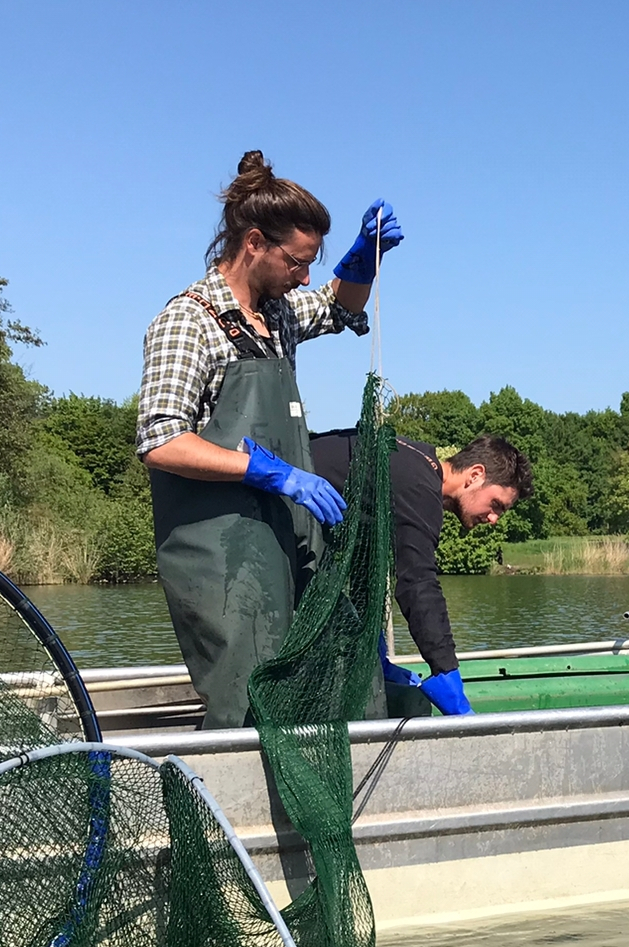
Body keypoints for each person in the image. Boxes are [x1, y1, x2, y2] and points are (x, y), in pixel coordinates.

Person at [135, 150, 401, 728]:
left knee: (316, 675)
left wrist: (362, 261)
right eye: (297, 261)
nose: (304, 276)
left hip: (283, 542)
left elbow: (335, 307)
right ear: (254, 242)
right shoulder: (189, 320)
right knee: (245, 699)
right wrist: (266, 472)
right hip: (222, 560)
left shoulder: (275, 314)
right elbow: (160, 442)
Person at [307, 431, 533, 715]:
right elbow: (417, 583)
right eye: (496, 504)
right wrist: (445, 669)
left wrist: (376, 657)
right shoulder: (419, 486)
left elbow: (365, 565)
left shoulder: (414, 461)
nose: (494, 519)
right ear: (475, 475)